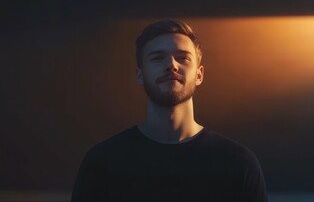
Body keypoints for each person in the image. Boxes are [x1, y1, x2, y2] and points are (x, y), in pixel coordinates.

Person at [71, 19, 268, 202]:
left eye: (182, 58)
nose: (171, 65)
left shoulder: (238, 164)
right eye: (157, 58)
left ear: (199, 75)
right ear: (140, 75)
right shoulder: (103, 163)